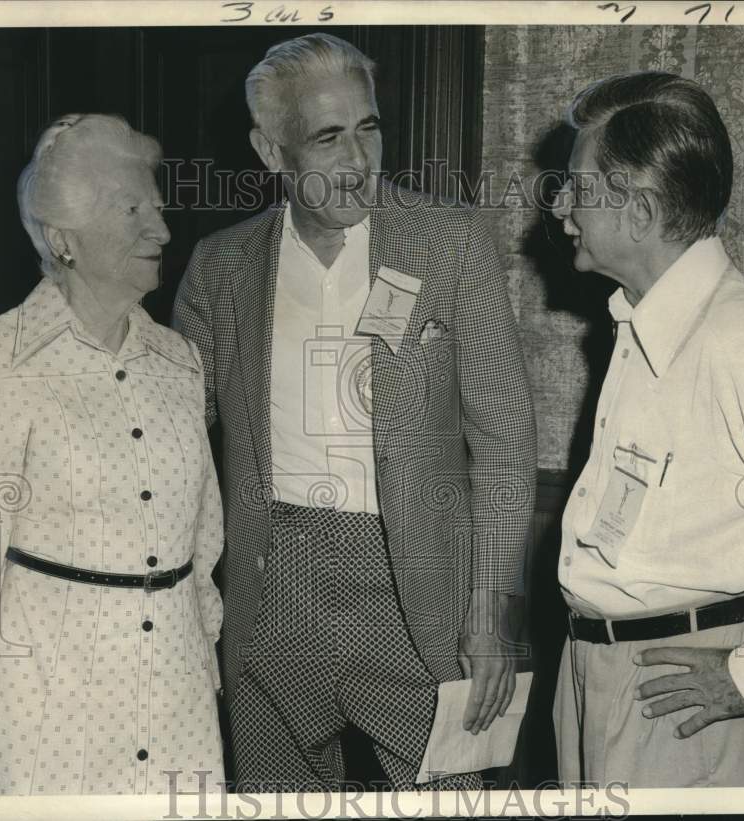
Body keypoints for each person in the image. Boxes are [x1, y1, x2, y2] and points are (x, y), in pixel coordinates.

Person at [173, 33, 537, 791]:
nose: (358, 160)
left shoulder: (449, 243)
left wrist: (492, 607)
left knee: (453, 801)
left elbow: (504, 444)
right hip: (274, 584)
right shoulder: (220, 266)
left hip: (418, 587)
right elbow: (170, 438)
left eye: (368, 128)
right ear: (272, 152)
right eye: (328, 137)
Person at [548, 71, 744, 787]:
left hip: (675, 704)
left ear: (639, 210)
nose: (561, 207)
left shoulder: (740, 338)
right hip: (594, 676)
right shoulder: (639, 317)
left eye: (579, 188)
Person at [0, 114, 226, 795]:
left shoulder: (180, 361)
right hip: (47, 716)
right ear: (63, 238)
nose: (163, 231)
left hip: (177, 713)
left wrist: (205, 669)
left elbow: (202, 544)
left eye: (160, 208)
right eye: (133, 210)